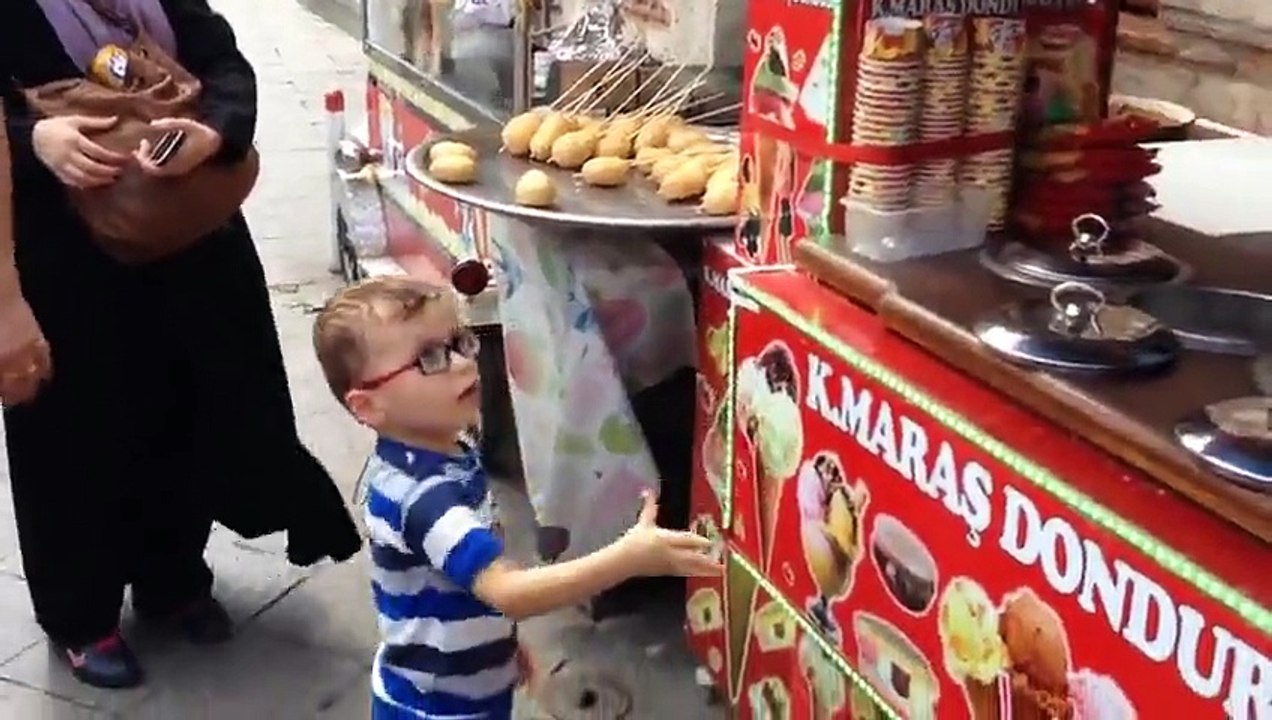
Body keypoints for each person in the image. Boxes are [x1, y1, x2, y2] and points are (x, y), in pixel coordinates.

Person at [0, 0, 361, 690]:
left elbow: (223, 60)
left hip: (188, 233)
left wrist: (211, 131)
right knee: (74, 431)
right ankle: (80, 614)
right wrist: (35, 141)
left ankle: (173, 578)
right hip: (64, 258)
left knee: (190, 399)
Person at [312, 277, 721, 720]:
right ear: (369, 407)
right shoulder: (424, 497)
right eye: (428, 358)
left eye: (459, 341)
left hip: (468, 683)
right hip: (438, 708)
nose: (462, 363)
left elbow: (468, 586)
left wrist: (502, 645)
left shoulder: (448, 446)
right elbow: (508, 592)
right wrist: (629, 558)